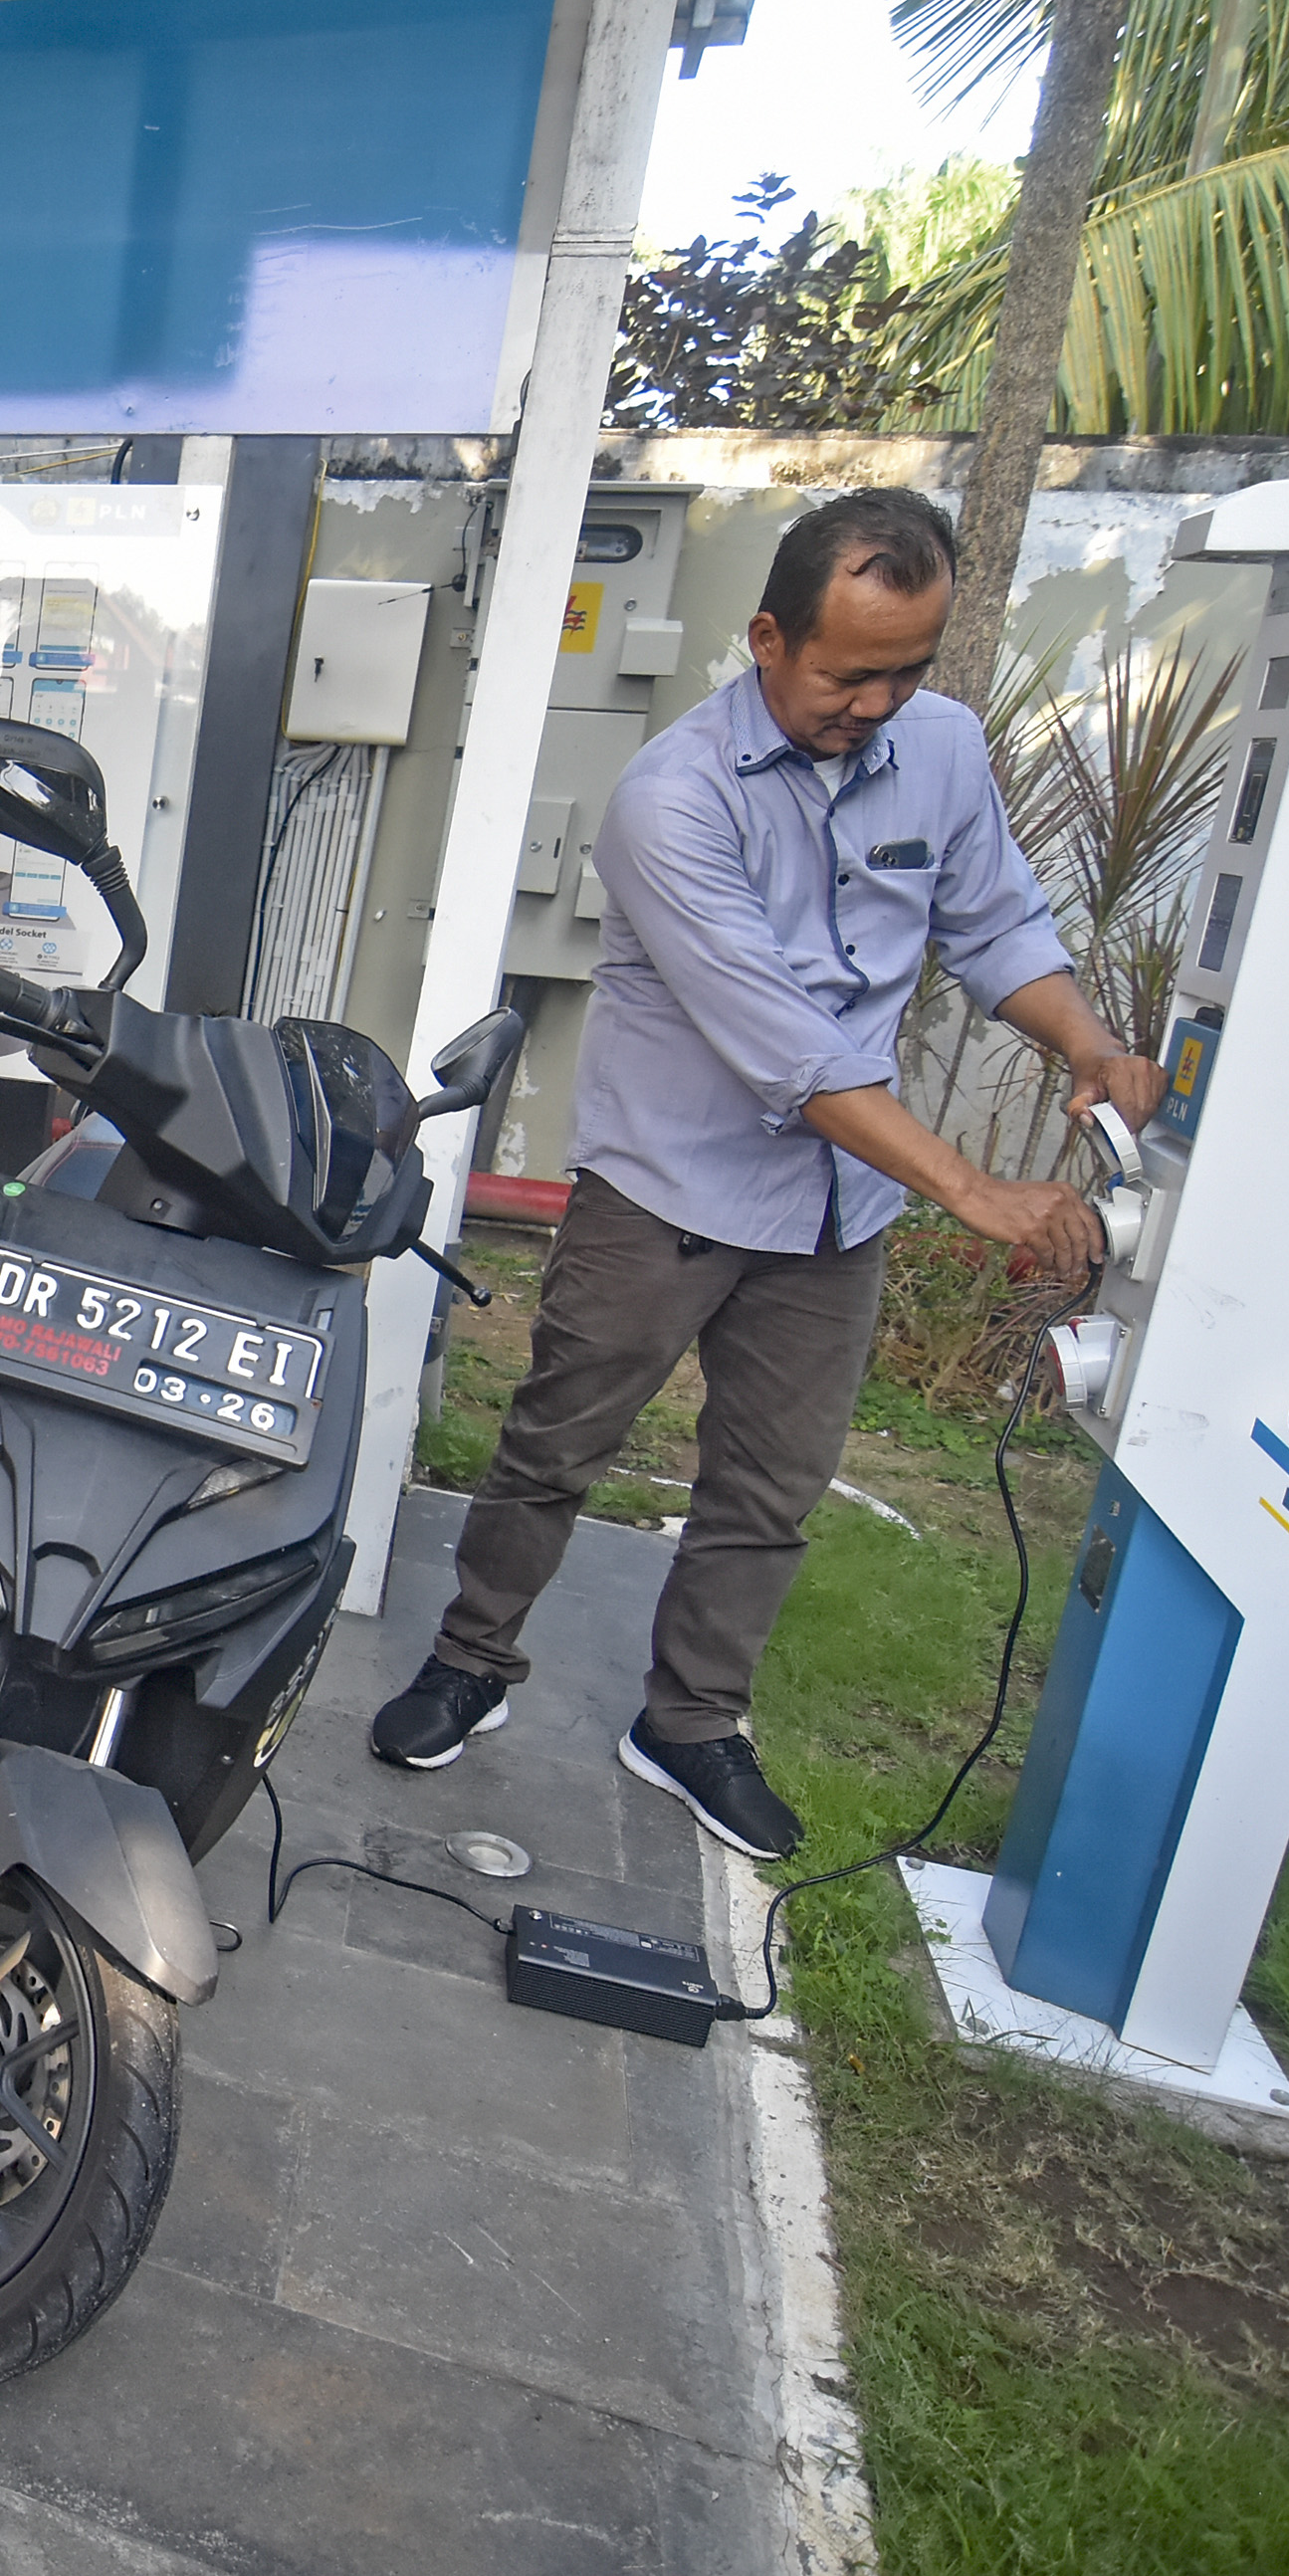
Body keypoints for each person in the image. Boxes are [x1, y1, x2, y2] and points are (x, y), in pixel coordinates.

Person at [370, 488, 1167, 1857]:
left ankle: (689, 1722)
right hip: (668, 1188)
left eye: (907, 670)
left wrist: (1085, 1036)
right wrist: (977, 1193)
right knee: (558, 1442)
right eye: (848, 672)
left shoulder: (944, 750)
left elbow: (995, 924)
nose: (878, 702)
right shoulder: (672, 800)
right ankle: (471, 1658)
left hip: (834, 1208)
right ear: (765, 638)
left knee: (770, 1485)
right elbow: (784, 1046)